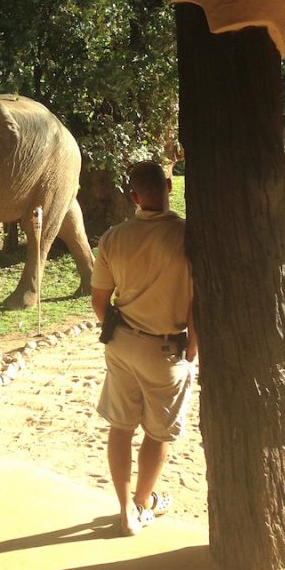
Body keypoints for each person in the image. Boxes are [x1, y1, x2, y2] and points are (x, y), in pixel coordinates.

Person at [91, 160, 197, 536]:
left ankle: (124, 511)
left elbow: (100, 299)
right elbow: (198, 301)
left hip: (121, 345)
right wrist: (193, 347)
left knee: (120, 428)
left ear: (134, 196)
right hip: (165, 349)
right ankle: (143, 501)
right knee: (157, 432)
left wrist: (114, 331)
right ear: (169, 186)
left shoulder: (113, 238)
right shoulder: (189, 236)